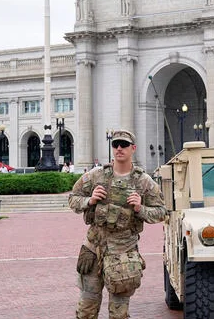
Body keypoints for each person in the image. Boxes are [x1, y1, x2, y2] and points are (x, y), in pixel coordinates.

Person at [68, 130, 167, 319]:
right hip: (94, 249)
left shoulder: (144, 182)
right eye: (115, 145)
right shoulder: (96, 176)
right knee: (86, 310)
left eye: (124, 144)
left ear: (133, 148)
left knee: (119, 313)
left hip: (123, 254)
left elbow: (162, 212)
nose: (119, 148)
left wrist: (140, 208)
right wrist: (89, 201)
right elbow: (73, 199)